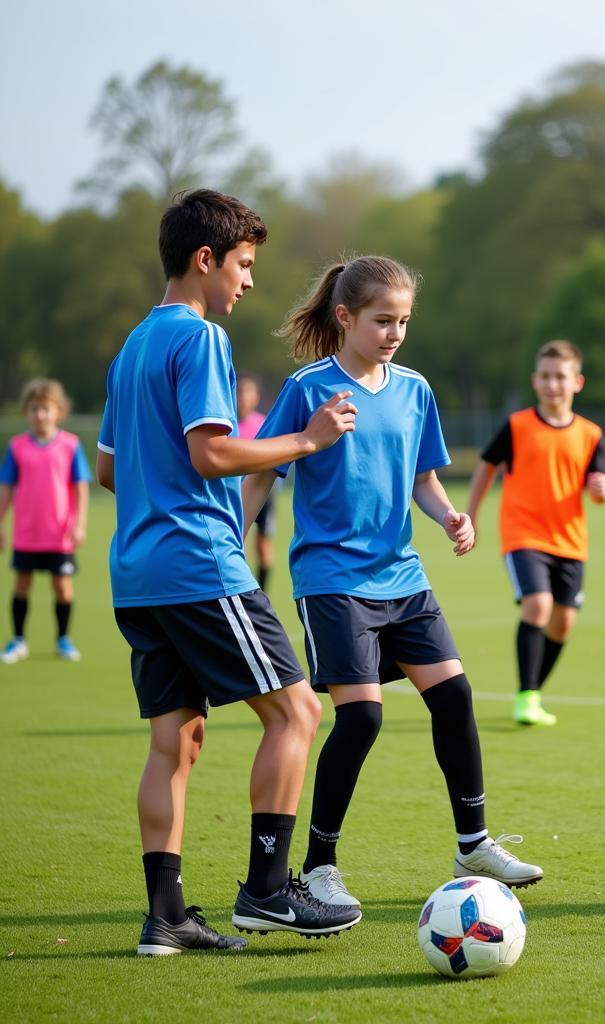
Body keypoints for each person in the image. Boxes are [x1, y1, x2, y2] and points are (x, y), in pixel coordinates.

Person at [96, 189, 362, 957]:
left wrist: (170, 483)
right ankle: (270, 892)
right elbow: (214, 452)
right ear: (206, 260)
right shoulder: (199, 339)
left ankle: (166, 918)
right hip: (197, 565)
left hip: (137, 573)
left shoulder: (131, 348)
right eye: (243, 265)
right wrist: (307, 441)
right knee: (299, 713)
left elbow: (110, 467)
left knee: (174, 743)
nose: (248, 281)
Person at [242, 255, 544, 911]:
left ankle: (473, 842)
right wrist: (234, 541)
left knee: (455, 695)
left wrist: (449, 518)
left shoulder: (414, 389)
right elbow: (263, 470)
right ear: (345, 316)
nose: (394, 333)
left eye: (403, 321)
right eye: (383, 320)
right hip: (331, 577)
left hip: (401, 574)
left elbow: (421, 477)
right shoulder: (308, 388)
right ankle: (318, 866)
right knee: (362, 717)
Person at [466, 340, 605, 727]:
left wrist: (602, 491)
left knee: (563, 623)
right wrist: (472, 514)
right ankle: (527, 696)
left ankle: (534, 692)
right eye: (546, 377)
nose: (553, 385)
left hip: (570, 540)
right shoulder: (517, 426)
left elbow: (601, 484)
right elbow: (486, 467)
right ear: (535, 381)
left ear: (577, 382)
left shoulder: (590, 433)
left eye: (560, 377)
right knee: (538, 606)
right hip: (524, 534)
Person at [0, 378, 90, 664]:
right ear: (27, 412)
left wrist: (79, 524)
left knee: (62, 587)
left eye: (46, 408)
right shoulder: (16, 448)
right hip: (27, 533)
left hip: (59, 534)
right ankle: (18, 640)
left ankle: (63, 639)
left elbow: (81, 486)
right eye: (35, 409)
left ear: (58, 411)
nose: (41, 415)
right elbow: (6, 488)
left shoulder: (70, 445)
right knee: (22, 585)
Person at [236, 372, 275, 590]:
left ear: (256, 397)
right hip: (234, 494)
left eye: (247, 392)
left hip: (264, 492)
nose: (243, 397)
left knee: (263, 545)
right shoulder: (225, 425)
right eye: (239, 392)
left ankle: (262, 593)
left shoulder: (264, 424)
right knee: (235, 543)